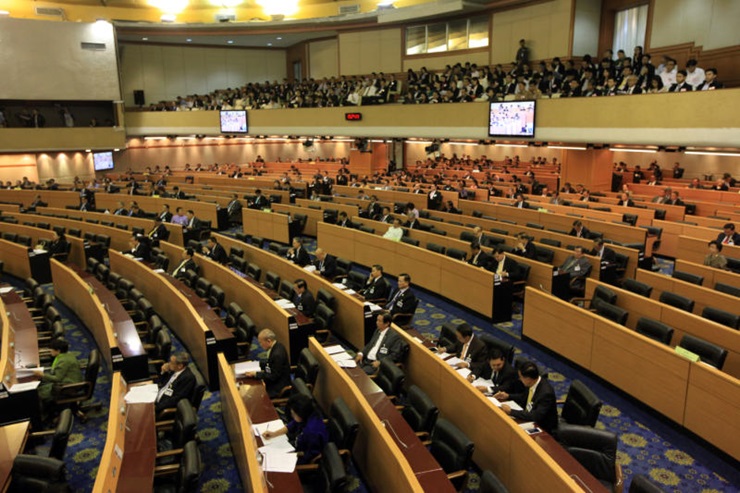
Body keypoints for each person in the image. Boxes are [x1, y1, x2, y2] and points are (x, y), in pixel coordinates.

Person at [261, 393, 329, 465]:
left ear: (301, 415)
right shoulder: (306, 415)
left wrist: (288, 454)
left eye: (293, 414)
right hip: (297, 444)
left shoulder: (311, 432)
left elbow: (311, 454)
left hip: (301, 455)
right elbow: (292, 425)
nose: (292, 416)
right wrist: (274, 434)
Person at [494, 361, 558, 434]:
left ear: (528, 379)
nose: (520, 379)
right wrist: (508, 396)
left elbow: (535, 416)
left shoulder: (546, 394)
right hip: (528, 417)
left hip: (542, 427)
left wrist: (511, 411)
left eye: (521, 377)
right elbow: (524, 397)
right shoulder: (532, 383)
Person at [36, 338, 83, 415]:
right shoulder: (67, 355)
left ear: (58, 351)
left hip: (69, 386)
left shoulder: (63, 361)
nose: (50, 351)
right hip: (69, 380)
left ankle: (47, 414)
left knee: (39, 393)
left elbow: (57, 379)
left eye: (51, 349)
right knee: (41, 386)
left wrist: (42, 375)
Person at [244, 329, 291, 398]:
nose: (260, 345)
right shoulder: (277, 345)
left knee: (255, 395)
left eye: (261, 343)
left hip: (278, 387)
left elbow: (273, 376)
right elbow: (269, 365)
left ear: (268, 341)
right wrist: (256, 364)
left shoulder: (277, 355)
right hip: (275, 379)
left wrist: (255, 374)